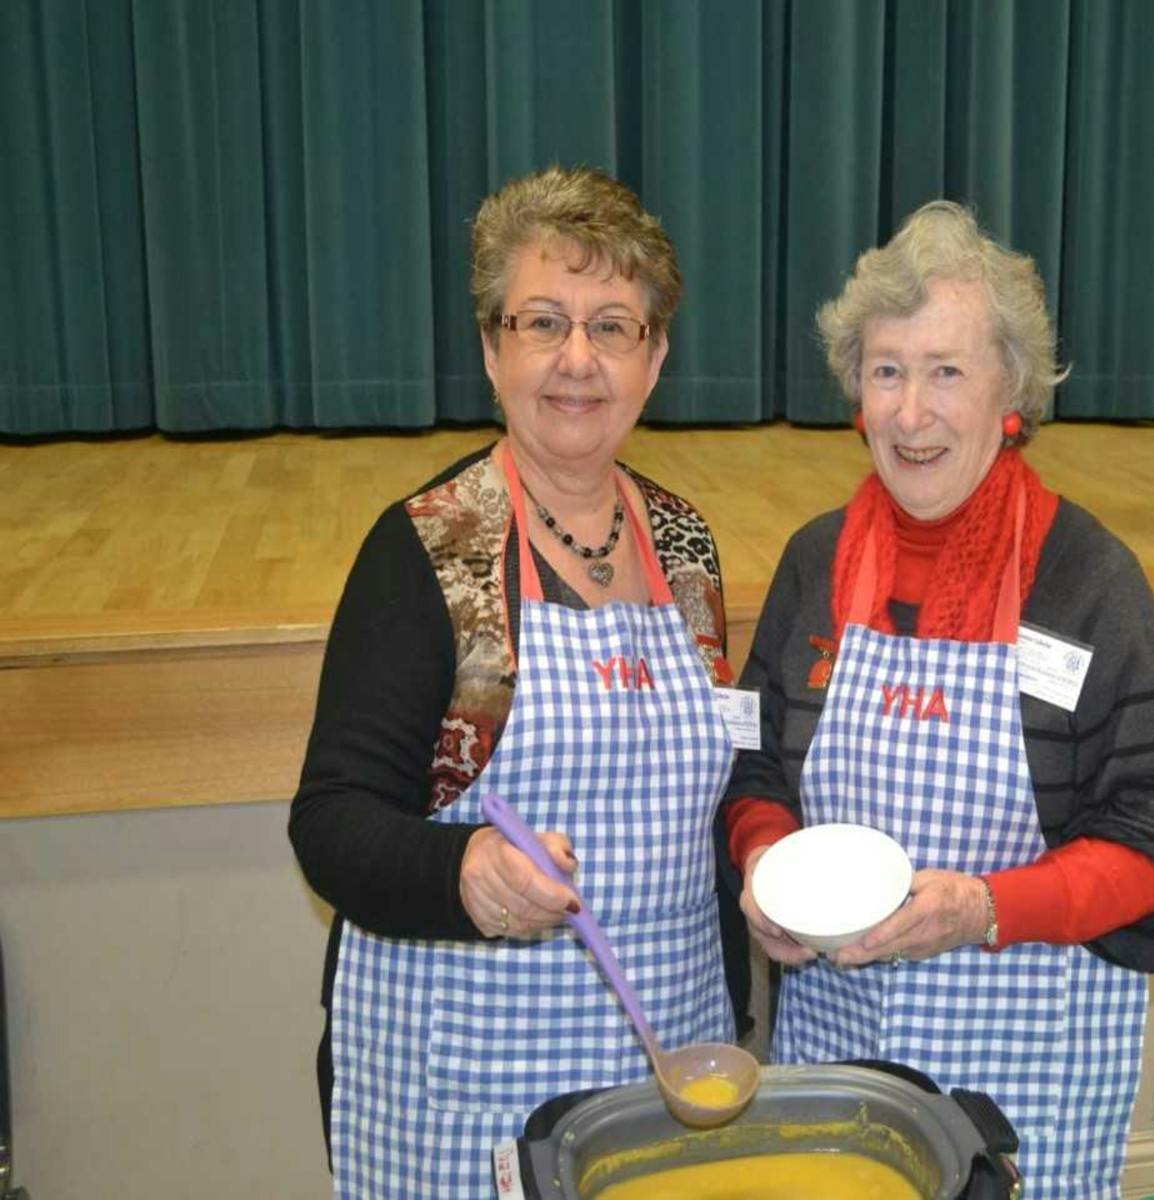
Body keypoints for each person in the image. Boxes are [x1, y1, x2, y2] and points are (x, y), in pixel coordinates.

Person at [721, 201, 1154, 1199]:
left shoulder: (1088, 580)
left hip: (1030, 1079)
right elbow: (756, 766)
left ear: (1012, 391)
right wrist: (765, 865)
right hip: (841, 1066)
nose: (911, 414)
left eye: (946, 371)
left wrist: (987, 907)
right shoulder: (816, 564)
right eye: (887, 371)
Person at [289, 165, 743, 1197]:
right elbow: (332, 822)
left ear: (656, 356)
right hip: (468, 1083)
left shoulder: (684, 545)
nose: (577, 359)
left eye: (613, 327)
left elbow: (708, 797)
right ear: (493, 350)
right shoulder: (427, 549)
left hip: (662, 1058)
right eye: (543, 322)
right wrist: (467, 874)